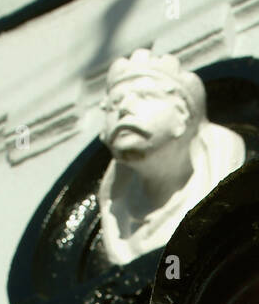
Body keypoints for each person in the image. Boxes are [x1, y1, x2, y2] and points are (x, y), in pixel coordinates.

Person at [97, 49, 245, 264]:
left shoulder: (220, 166)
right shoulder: (115, 208)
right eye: (114, 104)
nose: (124, 109)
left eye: (144, 96)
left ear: (182, 113)